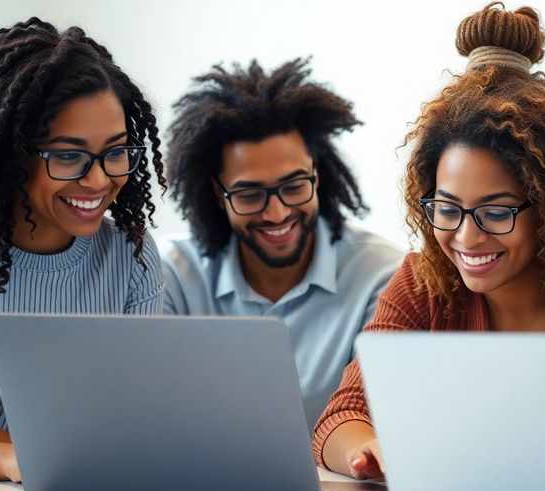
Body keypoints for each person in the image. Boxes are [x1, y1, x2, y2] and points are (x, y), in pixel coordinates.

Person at [312, 2, 545, 480]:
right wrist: (367, 448)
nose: (467, 237)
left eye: (495, 212)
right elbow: (337, 420)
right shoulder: (423, 281)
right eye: (447, 209)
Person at [161, 58, 403, 430]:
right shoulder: (173, 275)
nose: (276, 214)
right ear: (217, 193)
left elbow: (379, 419)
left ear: (317, 176)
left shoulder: (380, 276)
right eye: (249, 194)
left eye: (293, 187)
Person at [0, 18, 166, 481]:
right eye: (68, 156)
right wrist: (9, 460)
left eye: (116, 151)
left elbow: (134, 414)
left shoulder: (132, 255)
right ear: (10, 156)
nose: (99, 179)